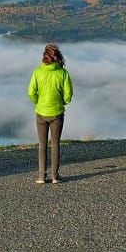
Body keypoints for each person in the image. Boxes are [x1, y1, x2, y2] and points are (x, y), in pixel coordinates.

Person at [27, 43, 74, 184]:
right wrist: (61, 103)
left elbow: (31, 93)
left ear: (44, 57)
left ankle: (41, 176)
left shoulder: (37, 72)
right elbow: (68, 95)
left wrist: (39, 102)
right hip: (57, 113)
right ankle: (55, 176)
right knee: (55, 143)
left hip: (41, 112)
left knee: (42, 144)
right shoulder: (63, 73)